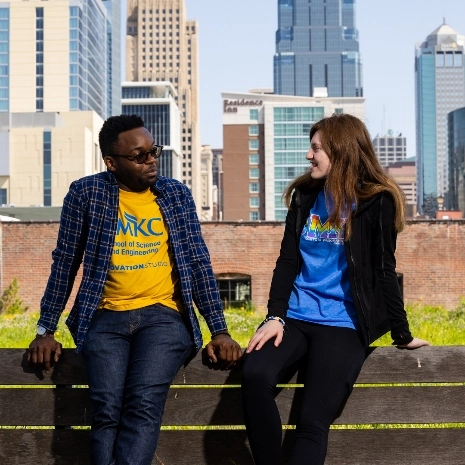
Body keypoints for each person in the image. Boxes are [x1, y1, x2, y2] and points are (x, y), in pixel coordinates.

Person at [27, 114, 242, 465]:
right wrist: (45, 329)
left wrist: (219, 329)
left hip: (164, 318)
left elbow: (198, 262)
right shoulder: (86, 194)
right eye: (139, 155)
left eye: (153, 151)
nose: (151, 160)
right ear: (111, 162)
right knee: (107, 408)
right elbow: (65, 262)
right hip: (105, 318)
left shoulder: (175, 195)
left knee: (142, 403)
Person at [241, 113, 429, 465]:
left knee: (313, 420)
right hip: (296, 317)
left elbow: (384, 271)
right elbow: (287, 263)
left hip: (344, 324)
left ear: (341, 151)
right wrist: (275, 316)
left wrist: (401, 334)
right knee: (254, 375)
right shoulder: (305, 197)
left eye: (315, 149)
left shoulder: (377, 201)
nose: (308, 156)